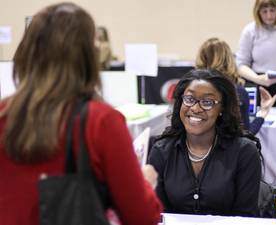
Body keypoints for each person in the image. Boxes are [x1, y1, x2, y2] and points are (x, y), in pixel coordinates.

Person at [0, 3, 161, 225]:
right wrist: (144, 182)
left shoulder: (4, 115)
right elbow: (142, 216)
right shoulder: (100, 121)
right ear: (88, 56)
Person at [148, 68, 263, 217]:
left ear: (222, 107)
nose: (195, 108)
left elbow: (244, 217)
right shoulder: (161, 151)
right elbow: (160, 215)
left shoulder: (244, 152)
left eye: (207, 102)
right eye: (189, 99)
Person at [196, 37, 276, 135]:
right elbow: (246, 134)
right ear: (229, 59)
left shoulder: (192, 90)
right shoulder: (237, 92)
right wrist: (263, 113)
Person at [235, 0, 276, 106]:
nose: (269, 15)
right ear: (257, 12)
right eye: (264, 11)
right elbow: (241, 65)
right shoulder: (250, 30)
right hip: (261, 82)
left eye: (272, 10)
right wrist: (258, 79)